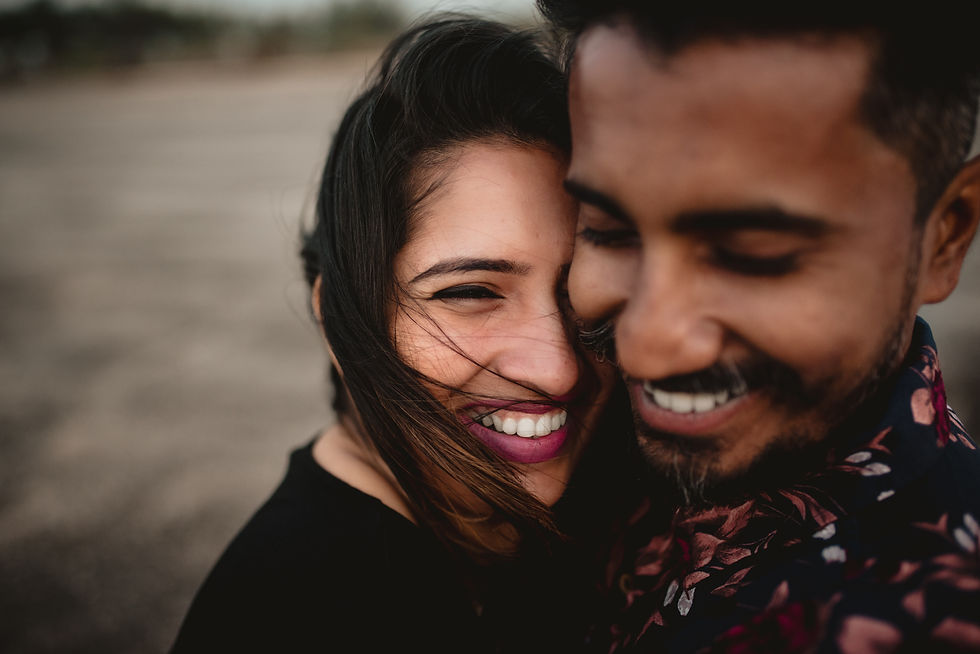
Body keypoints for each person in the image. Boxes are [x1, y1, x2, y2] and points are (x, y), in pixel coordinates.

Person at [170, 16, 623, 653]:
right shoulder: (300, 617)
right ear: (339, 316)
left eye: (579, 293)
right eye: (469, 293)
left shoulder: (594, 510)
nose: (558, 371)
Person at [536, 4, 980, 652]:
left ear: (944, 237)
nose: (645, 344)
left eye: (752, 254)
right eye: (609, 232)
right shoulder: (582, 432)